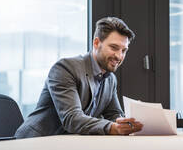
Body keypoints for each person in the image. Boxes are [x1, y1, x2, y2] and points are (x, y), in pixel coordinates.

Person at [15, 17, 143, 138]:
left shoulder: (110, 79)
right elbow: (72, 119)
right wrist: (113, 128)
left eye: (124, 50)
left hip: (69, 144)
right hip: (35, 141)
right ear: (96, 43)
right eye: (114, 48)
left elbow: (114, 115)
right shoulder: (65, 68)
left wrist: (130, 123)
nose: (119, 56)